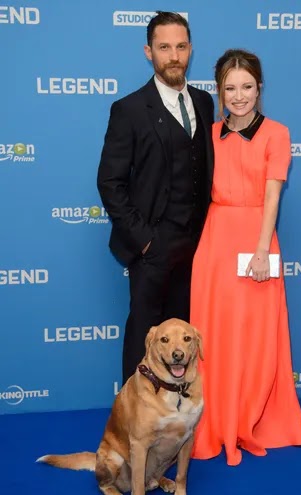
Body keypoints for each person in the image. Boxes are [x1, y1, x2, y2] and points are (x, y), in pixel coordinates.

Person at [190, 49, 301, 466]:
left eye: (247, 87)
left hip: (256, 240)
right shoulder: (209, 132)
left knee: (256, 336)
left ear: (260, 87)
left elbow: (273, 195)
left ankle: (249, 418)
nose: (239, 96)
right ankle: (214, 421)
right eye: (230, 88)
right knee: (216, 334)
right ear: (219, 91)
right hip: (215, 241)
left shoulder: (276, 133)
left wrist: (261, 249)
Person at [97, 12, 214, 385]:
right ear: (149, 52)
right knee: (144, 338)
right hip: (153, 246)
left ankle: (177, 421)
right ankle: (134, 419)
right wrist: (145, 240)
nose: (174, 55)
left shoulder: (204, 102)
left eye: (181, 46)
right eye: (164, 47)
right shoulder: (129, 109)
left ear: (191, 50)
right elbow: (110, 182)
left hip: (196, 246)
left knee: (184, 339)